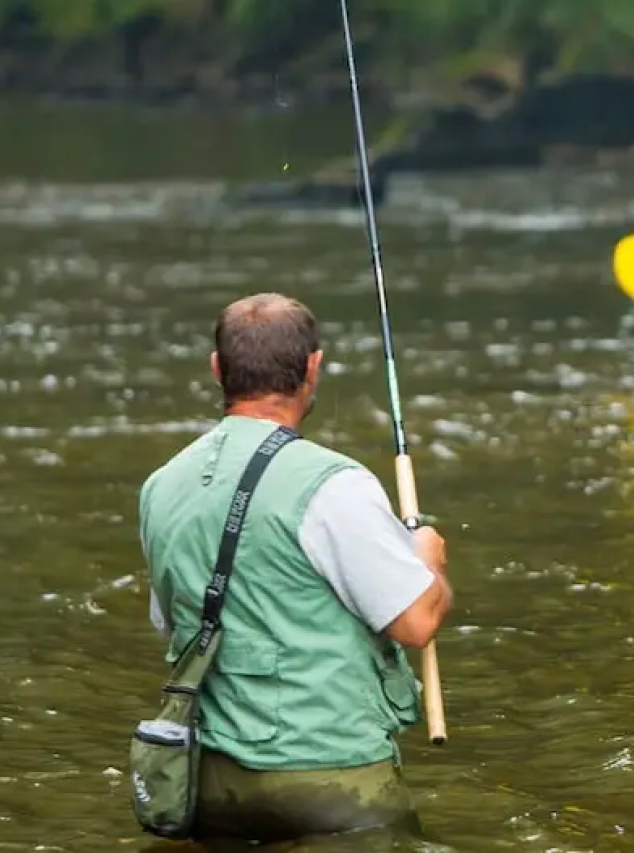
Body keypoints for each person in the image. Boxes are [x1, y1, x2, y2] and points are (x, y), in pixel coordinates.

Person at [137, 293, 453, 843]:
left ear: (218, 369)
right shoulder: (334, 484)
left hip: (207, 784)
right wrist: (428, 557)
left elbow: (174, 622)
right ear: (313, 367)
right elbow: (416, 623)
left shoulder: (162, 485)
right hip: (331, 782)